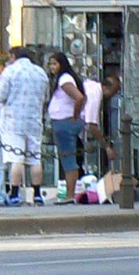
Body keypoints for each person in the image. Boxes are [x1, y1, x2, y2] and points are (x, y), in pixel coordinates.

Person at [0, 46, 48, 206]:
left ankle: (15, 193)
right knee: (35, 158)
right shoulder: (40, 72)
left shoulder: (10, 72)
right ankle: (37, 194)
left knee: (16, 159)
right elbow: (45, 97)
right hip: (34, 120)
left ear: (14, 56)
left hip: (13, 121)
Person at [45, 51, 87, 204]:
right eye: (50, 64)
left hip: (64, 122)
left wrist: (75, 115)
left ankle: (70, 195)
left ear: (61, 64)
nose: (52, 67)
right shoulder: (67, 78)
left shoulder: (64, 80)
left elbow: (79, 97)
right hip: (64, 121)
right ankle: (70, 193)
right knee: (68, 157)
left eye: (54, 64)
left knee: (68, 159)